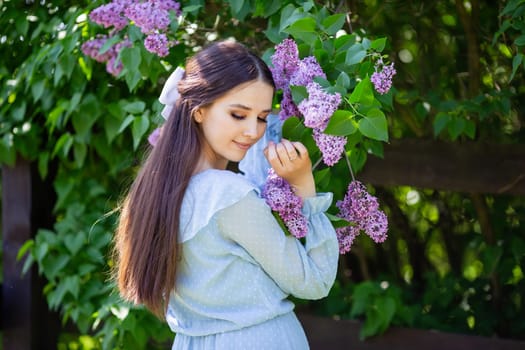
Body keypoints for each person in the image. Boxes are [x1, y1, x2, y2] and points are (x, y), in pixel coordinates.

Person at [114, 40, 339, 349]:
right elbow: (314, 281)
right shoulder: (227, 195)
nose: (252, 131)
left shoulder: (159, 192)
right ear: (199, 111)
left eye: (261, 118)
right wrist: (304, 187)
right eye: (238, 114)